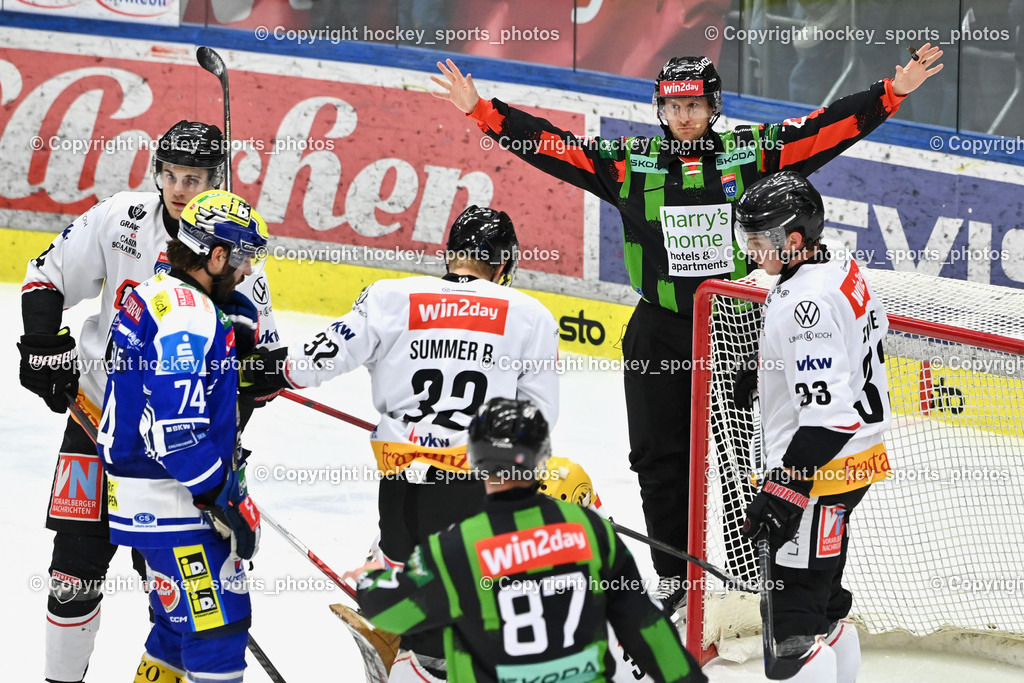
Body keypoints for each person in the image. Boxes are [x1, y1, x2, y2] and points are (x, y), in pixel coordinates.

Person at [431, 45, 941, 607]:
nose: (685, 116)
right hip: (660, 328)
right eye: (674, 106)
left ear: (714, 105)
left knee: (746, 457)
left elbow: (821, 132)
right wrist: (484, 111)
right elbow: (557, 147)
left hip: (741, 326)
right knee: (658, 458)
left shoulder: (751, 155)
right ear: (659, 108)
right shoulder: (631, 164)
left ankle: (756, 575)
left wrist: (888, 96)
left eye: (695, 104)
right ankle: (676, 576)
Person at [240, 205, 559, 678]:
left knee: (410, 575)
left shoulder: (393, 296)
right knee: (452, 645)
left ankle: (387, 602)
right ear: (504, 264)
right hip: (472, 496)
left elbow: (317, 356)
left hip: (400, 493)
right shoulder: (531, 316)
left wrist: (269, 371)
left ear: (450, 254)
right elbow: (537, 423)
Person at [17, 120, 278, 683]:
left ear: (214, 178)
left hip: (170, 462)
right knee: (73, 577)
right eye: (172, 175)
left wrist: (250, 380)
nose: (181, 188)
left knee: (169, 595)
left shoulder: (233, 257)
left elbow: (261, 365)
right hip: (96, 422)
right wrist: (41, 345)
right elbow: (46, 276)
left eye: (196, 177)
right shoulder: (121, 218)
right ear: (157, 173)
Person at [344, 397, 707, 683]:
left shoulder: (456, 547)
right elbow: (648, 628)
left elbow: (393, 611)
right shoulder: (591, 533)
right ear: (542, 457)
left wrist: (371, 580)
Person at [97, 189, 267, 683]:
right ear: (216, 256)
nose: (249, 272)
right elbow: (176, 433)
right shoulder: (190, 314)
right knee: (218, 636)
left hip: (144, 503)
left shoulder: (150, 292)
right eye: (244, 259)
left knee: (175, 632)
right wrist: (223, 499)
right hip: (177, 507)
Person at [734, 172, 892, 682]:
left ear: (793, 240)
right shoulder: (838, 259)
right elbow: (839, 358)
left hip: (820, 475)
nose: (751, 251)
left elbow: (828, 418)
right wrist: (769, 372)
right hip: (856, 464)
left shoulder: (807, 305)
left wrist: (784, 492)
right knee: (823, 601)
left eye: (758, 241)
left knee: (791, 631)